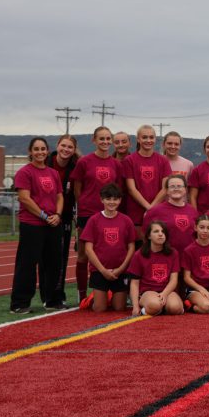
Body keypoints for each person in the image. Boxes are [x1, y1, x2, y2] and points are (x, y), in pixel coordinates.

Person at [10, 138, 65, 314]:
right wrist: (44, 215)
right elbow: (25, 198)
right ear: (30, 152)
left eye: (43, 149)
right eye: (36, 149)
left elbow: (59, 196)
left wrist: (57, 215)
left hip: (53, 224)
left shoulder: (53, 173)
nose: (40, 152)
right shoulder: (24, 172)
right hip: (32, 224)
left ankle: (52, 300)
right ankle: (19, 303)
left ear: (48, 151)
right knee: (27, 264)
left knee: (53, 263)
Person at [70, 126, 121, 302]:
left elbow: (118, 189)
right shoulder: (84, 162)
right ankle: (82, 294)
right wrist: (82, 206)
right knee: (84, 255)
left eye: (108, 139)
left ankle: (110, 291)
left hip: (110, 214)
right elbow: (77, 188)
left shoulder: (116, 163)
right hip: (87, 213)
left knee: (111, 251)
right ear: (94, 140)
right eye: (101, 139)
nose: (105, 142)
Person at [80, 184, 135, 312]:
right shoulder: (94, 220)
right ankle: (93, 299)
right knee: (100, 309)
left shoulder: (126, 220)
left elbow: (131, 247)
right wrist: (103, 270)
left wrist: (121, 269)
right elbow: (88, 249)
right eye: (108, 199)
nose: (112, 202)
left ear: (120, 200)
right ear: (102, 200)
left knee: (119, 308)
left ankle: (109, 296)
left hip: (120, 271)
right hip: (99, 270)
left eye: (115, 199)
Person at [45, 134, 80, 309]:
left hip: (63, 217)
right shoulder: (45, 162)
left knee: (60, 257)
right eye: (63, 146)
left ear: (74, 150)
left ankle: (57, 295)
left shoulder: (76, 167)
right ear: (57, 145)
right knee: (41, 258)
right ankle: (44, 294)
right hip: (41, 216)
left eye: (70, 147)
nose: (66, 149)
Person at [122, 125, 171, 241]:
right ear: (138, 139)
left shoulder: (163, 160)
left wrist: (151, 209)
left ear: (155, 139)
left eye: (151, 137)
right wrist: (148, 207)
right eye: (144, 137)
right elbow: (131, 189)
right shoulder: (129, 160)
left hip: (159, 212)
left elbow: (165, 188)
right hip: (136, 213)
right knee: (139, 250)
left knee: (157, 249)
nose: (148, 140)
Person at [127, 221, 184, 316]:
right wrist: (135, 306)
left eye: (163, 232)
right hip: (148, 291)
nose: (160, 234)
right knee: (155, 305)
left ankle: (162, 309)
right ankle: (146, 310)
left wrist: (164, 294)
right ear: (149, 236)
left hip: (167, 290)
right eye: (156, 231)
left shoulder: (173, 253)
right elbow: (134, 283)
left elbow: (174, 280)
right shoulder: (139, 254)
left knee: (175, 308)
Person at [143, 175, 199, 256]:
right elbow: (145, 236)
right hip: (166, 258)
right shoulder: (154, 211)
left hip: (189, 258)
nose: (176, 189)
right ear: (167, 190)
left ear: (185, 189)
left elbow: (196, 235)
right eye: (172, 186)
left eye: (179, 186)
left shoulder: (193, 211)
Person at [182, 215, 209, 314]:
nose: (205, 231)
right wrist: (201, 289)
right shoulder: (189, 250)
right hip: (195, 289)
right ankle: (190, 305)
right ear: (195, 227)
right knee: (207, 307)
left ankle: (206, 301)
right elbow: (186, 277)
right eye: (202, 227)